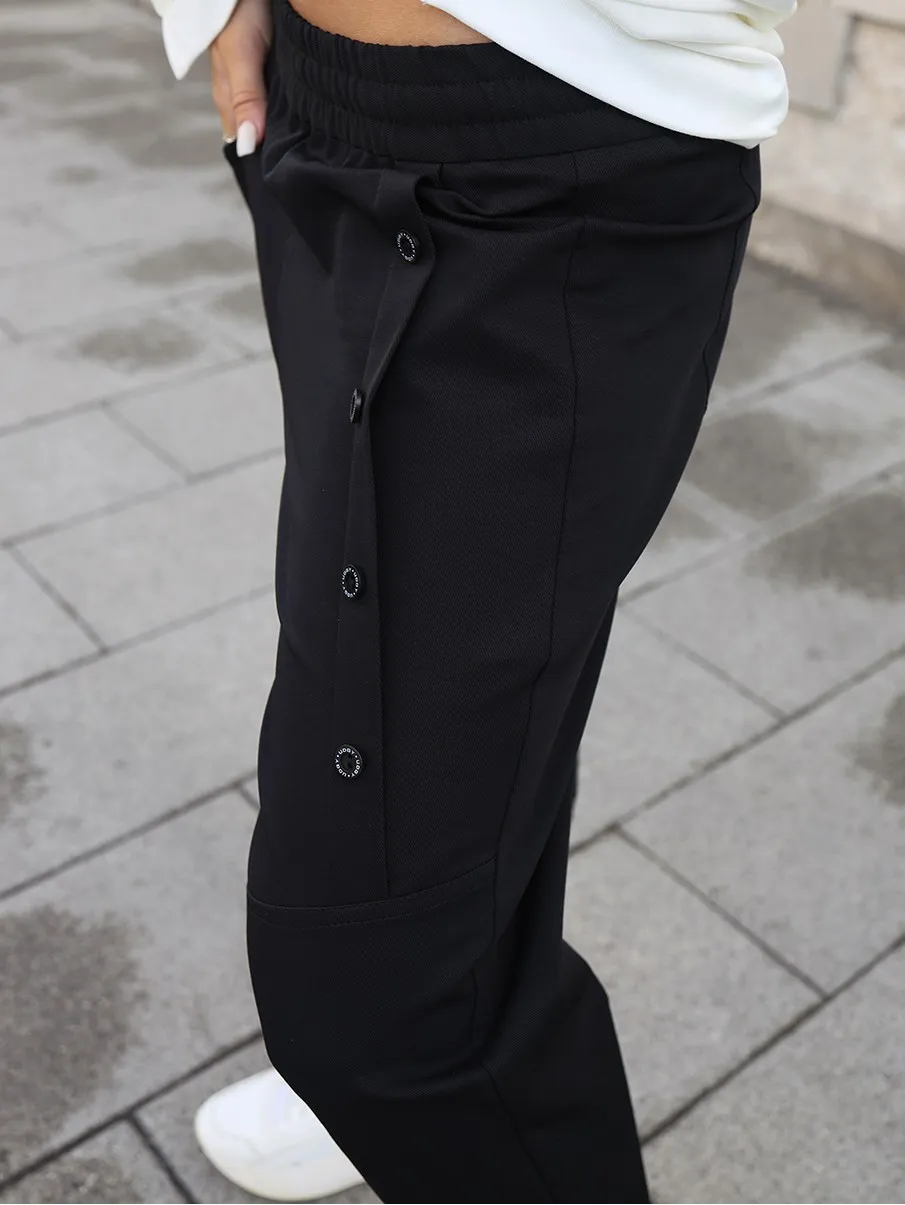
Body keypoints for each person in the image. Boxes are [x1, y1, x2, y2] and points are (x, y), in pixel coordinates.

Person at [150, 0, 795, 1199]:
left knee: (375, 1001)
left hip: (562, 148)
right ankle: (430, 1056)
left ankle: (429, 1072)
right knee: (443, 698)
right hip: (319, 114)